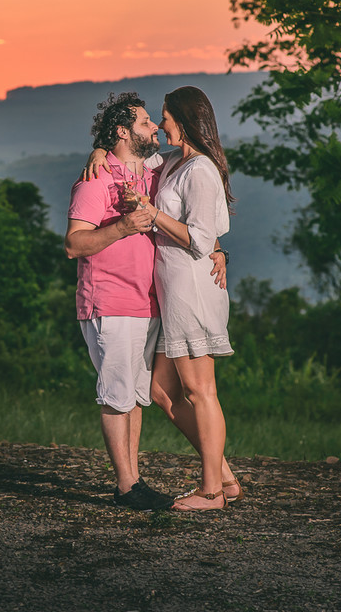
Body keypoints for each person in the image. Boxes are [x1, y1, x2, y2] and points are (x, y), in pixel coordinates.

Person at [83, 86, 240, 511]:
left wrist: (152, 215)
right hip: (169, 293)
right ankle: (222, 474)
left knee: (199, 389)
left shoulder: (201, 170)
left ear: (183, 121)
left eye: (164, 117)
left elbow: (201, 238)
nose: (158, 124)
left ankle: (211, 492)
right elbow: (129, 153)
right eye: (154, 118)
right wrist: (100, 150)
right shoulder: (173, 161)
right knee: (161, 392)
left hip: (192, 289)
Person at [64, 92, 175, 511]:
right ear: (123, 133)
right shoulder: (94, 179)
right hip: (108, 300)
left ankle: (133, 481)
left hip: (145, 301)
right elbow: (75, 244)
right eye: (147, 122)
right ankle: (127, 486)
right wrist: (125, 226)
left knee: (135, 393)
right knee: (116, 393)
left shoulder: (148, 169)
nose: (156, 128)